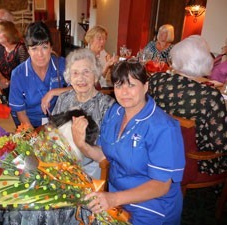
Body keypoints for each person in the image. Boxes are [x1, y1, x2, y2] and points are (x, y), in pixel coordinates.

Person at [71, 61, 185, 225]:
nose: (124, 92)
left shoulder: (163, 127)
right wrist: (81, 144)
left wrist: (114, 199)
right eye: (119, 85)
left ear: (145, 86)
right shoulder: (115, 112)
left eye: (131, 85)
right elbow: (104, 154)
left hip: (152, 205)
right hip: (117, 194)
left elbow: (161, 185)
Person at [149, 35, 227, 175]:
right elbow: (219, 142)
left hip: (154, 149)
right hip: (190, 161)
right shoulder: (210, 96)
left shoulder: (156, 80)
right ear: (204, 62)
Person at [52, 48, 115, 179]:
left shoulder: (107, 105)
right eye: (75, 73)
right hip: (59, 164)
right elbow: (52, 133)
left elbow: (108, 152)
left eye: (86, 72)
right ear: (69, 77)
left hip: (91, 169)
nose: (80, 78)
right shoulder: (63, 98)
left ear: (96, 75)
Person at [8, 21, 71, 128]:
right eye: (34, 48)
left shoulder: (62, 64)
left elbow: (81, 87)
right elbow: (21, 113)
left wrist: (53, 92)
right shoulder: (18, 75)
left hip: (56, 122)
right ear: (28, 50)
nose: (40, 54)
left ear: (51, 47)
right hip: (28, 124)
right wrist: (35, 140)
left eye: (44, 47)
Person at [0, 21, 28, 100]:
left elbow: (24, 74)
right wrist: (2, 78)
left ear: (8, 33)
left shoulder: (21, 49)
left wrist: (9, 83)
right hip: (4, 86)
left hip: (20, 89)